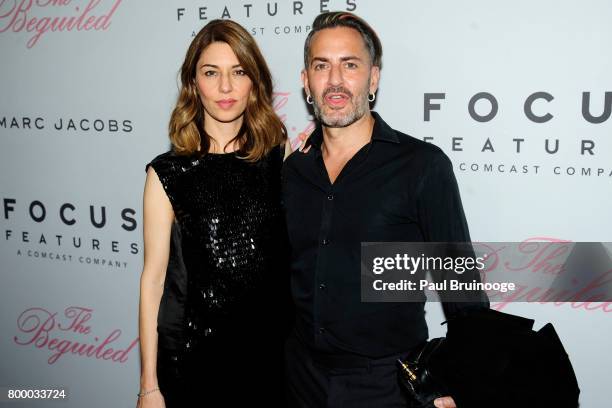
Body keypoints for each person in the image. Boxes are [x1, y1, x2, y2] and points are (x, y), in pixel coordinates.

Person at [282, 12, 489, 408]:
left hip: (386, 385)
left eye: (351, 65)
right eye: (321, 65)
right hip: (300, 379)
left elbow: (461, 285)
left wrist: (462, 376)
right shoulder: (293, 172)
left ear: (373, 79)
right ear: (306, 81)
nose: (335, 80)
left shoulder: (421, 166)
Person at [137, 19, 292, 407]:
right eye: (211, 72)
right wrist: (149, 386)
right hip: (194, 363)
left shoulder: (281, 156)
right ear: (194, 83)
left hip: (274, 361)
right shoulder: (167, 174)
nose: (225, 87)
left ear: (254, 81)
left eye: (238, 72)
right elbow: (154, 283)